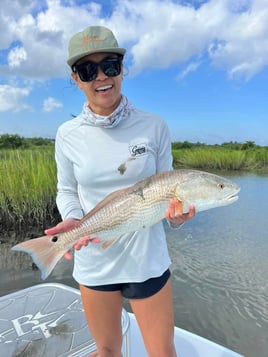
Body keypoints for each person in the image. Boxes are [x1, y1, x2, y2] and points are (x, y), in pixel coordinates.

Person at [45, 25, 195, 357]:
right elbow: (67, 190)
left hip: (147, 260)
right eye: (88, 69)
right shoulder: (67, 134)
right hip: (95, 259)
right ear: (75, 78)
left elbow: (169, 191)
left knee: (162, 352)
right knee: (108, 350)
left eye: (110, 65)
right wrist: (73, 219)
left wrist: (178, 218)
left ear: (122, 69)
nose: (101, 76)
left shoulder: (154, 126)